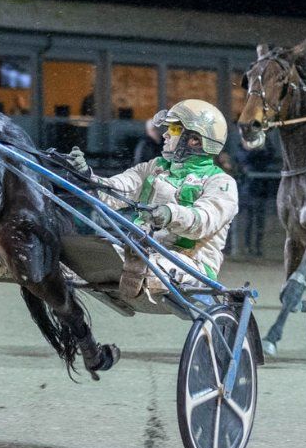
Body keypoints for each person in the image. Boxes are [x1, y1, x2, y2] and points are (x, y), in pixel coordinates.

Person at [64, 99, 239, 300]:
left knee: (144, 264)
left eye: (173, 129)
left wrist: (170, 213)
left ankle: (138, 272)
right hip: (141, 252)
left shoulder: (221, 182)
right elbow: (120, 188)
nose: (164, 134)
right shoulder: (155, 166)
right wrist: (88, 176)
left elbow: (204, 220)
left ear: (195, 140)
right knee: (86, 256)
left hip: (192, 265)